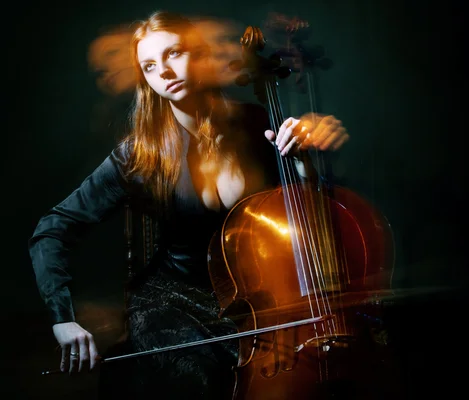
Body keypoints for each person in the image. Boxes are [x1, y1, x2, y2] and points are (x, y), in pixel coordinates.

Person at [28, 10, 349, 399]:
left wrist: (303, 159)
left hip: (258, 298)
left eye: (173, 53)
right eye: (148, 65)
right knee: (197, 378)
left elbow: (304, 214)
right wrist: (63, 320)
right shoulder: (137, 155)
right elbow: (52, 230)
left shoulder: (256, 124)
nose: (163, 71)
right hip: (174, 299)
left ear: (198, 55)